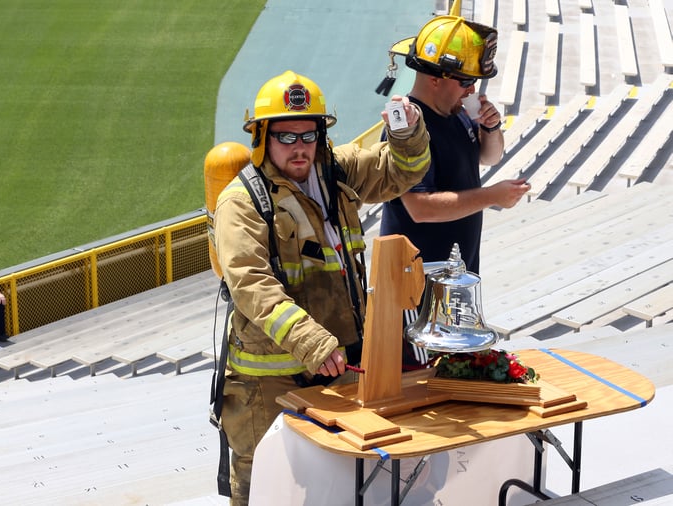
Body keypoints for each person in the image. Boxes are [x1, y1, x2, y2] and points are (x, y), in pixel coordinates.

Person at [212, 70, 431, 505]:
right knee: (265, 486)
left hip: (338, 364)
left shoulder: (336, 171)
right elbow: (252, 285)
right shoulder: (241, 202)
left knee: (333, 480)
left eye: (308, 135)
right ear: (262, 137)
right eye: (286, 137)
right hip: (268, 383)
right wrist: (312, 342)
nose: (300, 148)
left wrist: (407, 132)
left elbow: (402, 171)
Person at [379, 12, 531, 275]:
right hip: (415, 282)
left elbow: (489, 157)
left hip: (455, 272)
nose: (472, 90)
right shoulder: (406, 128)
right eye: (466, 81)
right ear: (436, 79)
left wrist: (490, 127)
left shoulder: (457, 111)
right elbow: (420, 208)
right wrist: (493, 196)